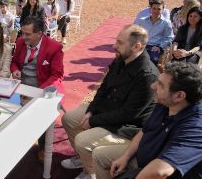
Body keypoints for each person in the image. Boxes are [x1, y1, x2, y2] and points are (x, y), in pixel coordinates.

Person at [61, 24, 159, 179]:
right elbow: (103, 87)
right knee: (69, 118)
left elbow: (128, 114)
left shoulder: (147, 75)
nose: (114, 46)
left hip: (127, 126)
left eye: (120, 43)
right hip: (108, 110)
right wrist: (91, 110)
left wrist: (93, 120)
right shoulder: (122, 59)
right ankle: (85, 161)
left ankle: (91, 172)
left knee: (82, 140)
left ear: (137, 46)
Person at [93, 62, 202, 179]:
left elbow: (160, 171)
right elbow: (144, 131)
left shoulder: (195, 127)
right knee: (100, 156)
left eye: (160, 85)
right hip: (142, 160)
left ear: (179, 96)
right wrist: (125, 156)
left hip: (158, 174)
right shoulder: (164, 103)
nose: (153, 86)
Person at [11, 16, 64, 162]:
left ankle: (43, 146)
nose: (23, 37)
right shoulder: (21, 42)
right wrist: (15, 70)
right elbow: (14, 61)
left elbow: (57, 75)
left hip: (43, 89)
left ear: (39, 33)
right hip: (22, 88)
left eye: (28, 34)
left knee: (42, 117)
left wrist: (37, 93)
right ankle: (15, 141)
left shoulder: (54, 47)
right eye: (23, 33)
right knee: (8, 111)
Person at [135, 0, 174, 65]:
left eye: (159, 9)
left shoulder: (166, 23)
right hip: (142, 45)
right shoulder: (142, 20)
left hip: (155, 47)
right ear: (150, 9)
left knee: (151, 60)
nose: (156, 11)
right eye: (154, 8)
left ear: (163, 10)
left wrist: (160, 47)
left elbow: (169, 37)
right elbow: (136, 34)